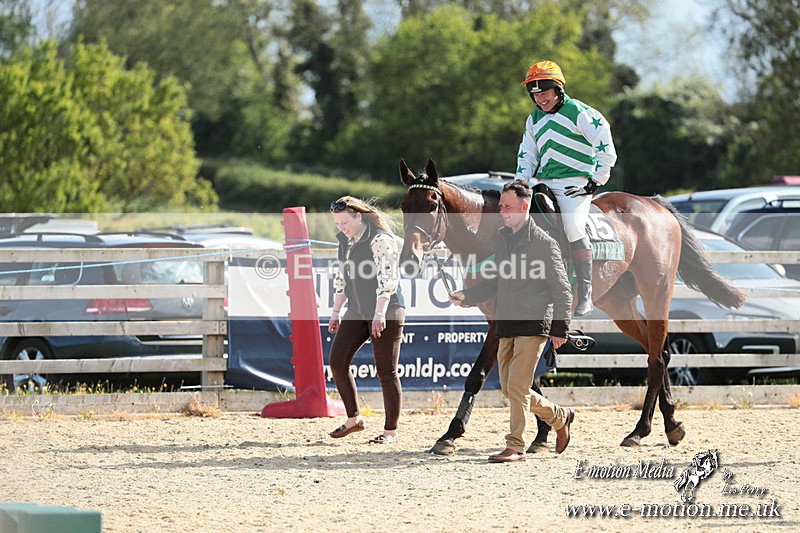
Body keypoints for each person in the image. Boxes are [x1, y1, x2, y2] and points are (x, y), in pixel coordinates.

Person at [449, 180, 575, 462]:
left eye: (507, 206)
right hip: (506, 323)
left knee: (517, 387)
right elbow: (494, 282)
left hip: (533, 324)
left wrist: (560, 328)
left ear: (524, 205)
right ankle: (560, 417)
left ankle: (515, 445)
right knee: (510, 388)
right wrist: (468, 295)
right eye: (501, 206)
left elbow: (562, 289)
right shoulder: (503, 240)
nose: (502, 211)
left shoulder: (544, 243)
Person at [514, 60, 617, 316]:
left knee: (572, 226)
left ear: (558, 89)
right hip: (545, 183)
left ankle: (585, 294)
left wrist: (597, 180)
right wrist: (521, 182)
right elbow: (528, 154)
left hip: (577, 184)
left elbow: (606, 146)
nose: (540, 99)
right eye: (535, 94)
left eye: (545, 92)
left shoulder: (581, 113)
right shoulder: (534, 119)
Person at [327, 196, 405, 444]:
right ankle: (353, 419)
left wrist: (379, 314)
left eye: (344, 222)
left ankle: (390, 432)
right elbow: (342, 279)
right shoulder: (346, 242)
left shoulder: (381, 239)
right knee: (337, 361)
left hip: (386, 309)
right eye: (337, 224)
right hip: (357, 311)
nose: (341, 228)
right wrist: (336, 312)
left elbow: (388, 280)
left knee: (386, 371)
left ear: (358, 216)